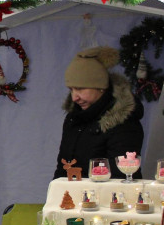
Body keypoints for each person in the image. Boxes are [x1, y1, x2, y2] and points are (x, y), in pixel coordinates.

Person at [52, 45, 145, 180]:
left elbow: (121, 178)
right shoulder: (74, 118)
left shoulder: (123, 123)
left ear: (100, 87)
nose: (74, 97)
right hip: (72, 197)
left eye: (80, 89)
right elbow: (62, 169)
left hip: (105, 199)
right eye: (71, 89)